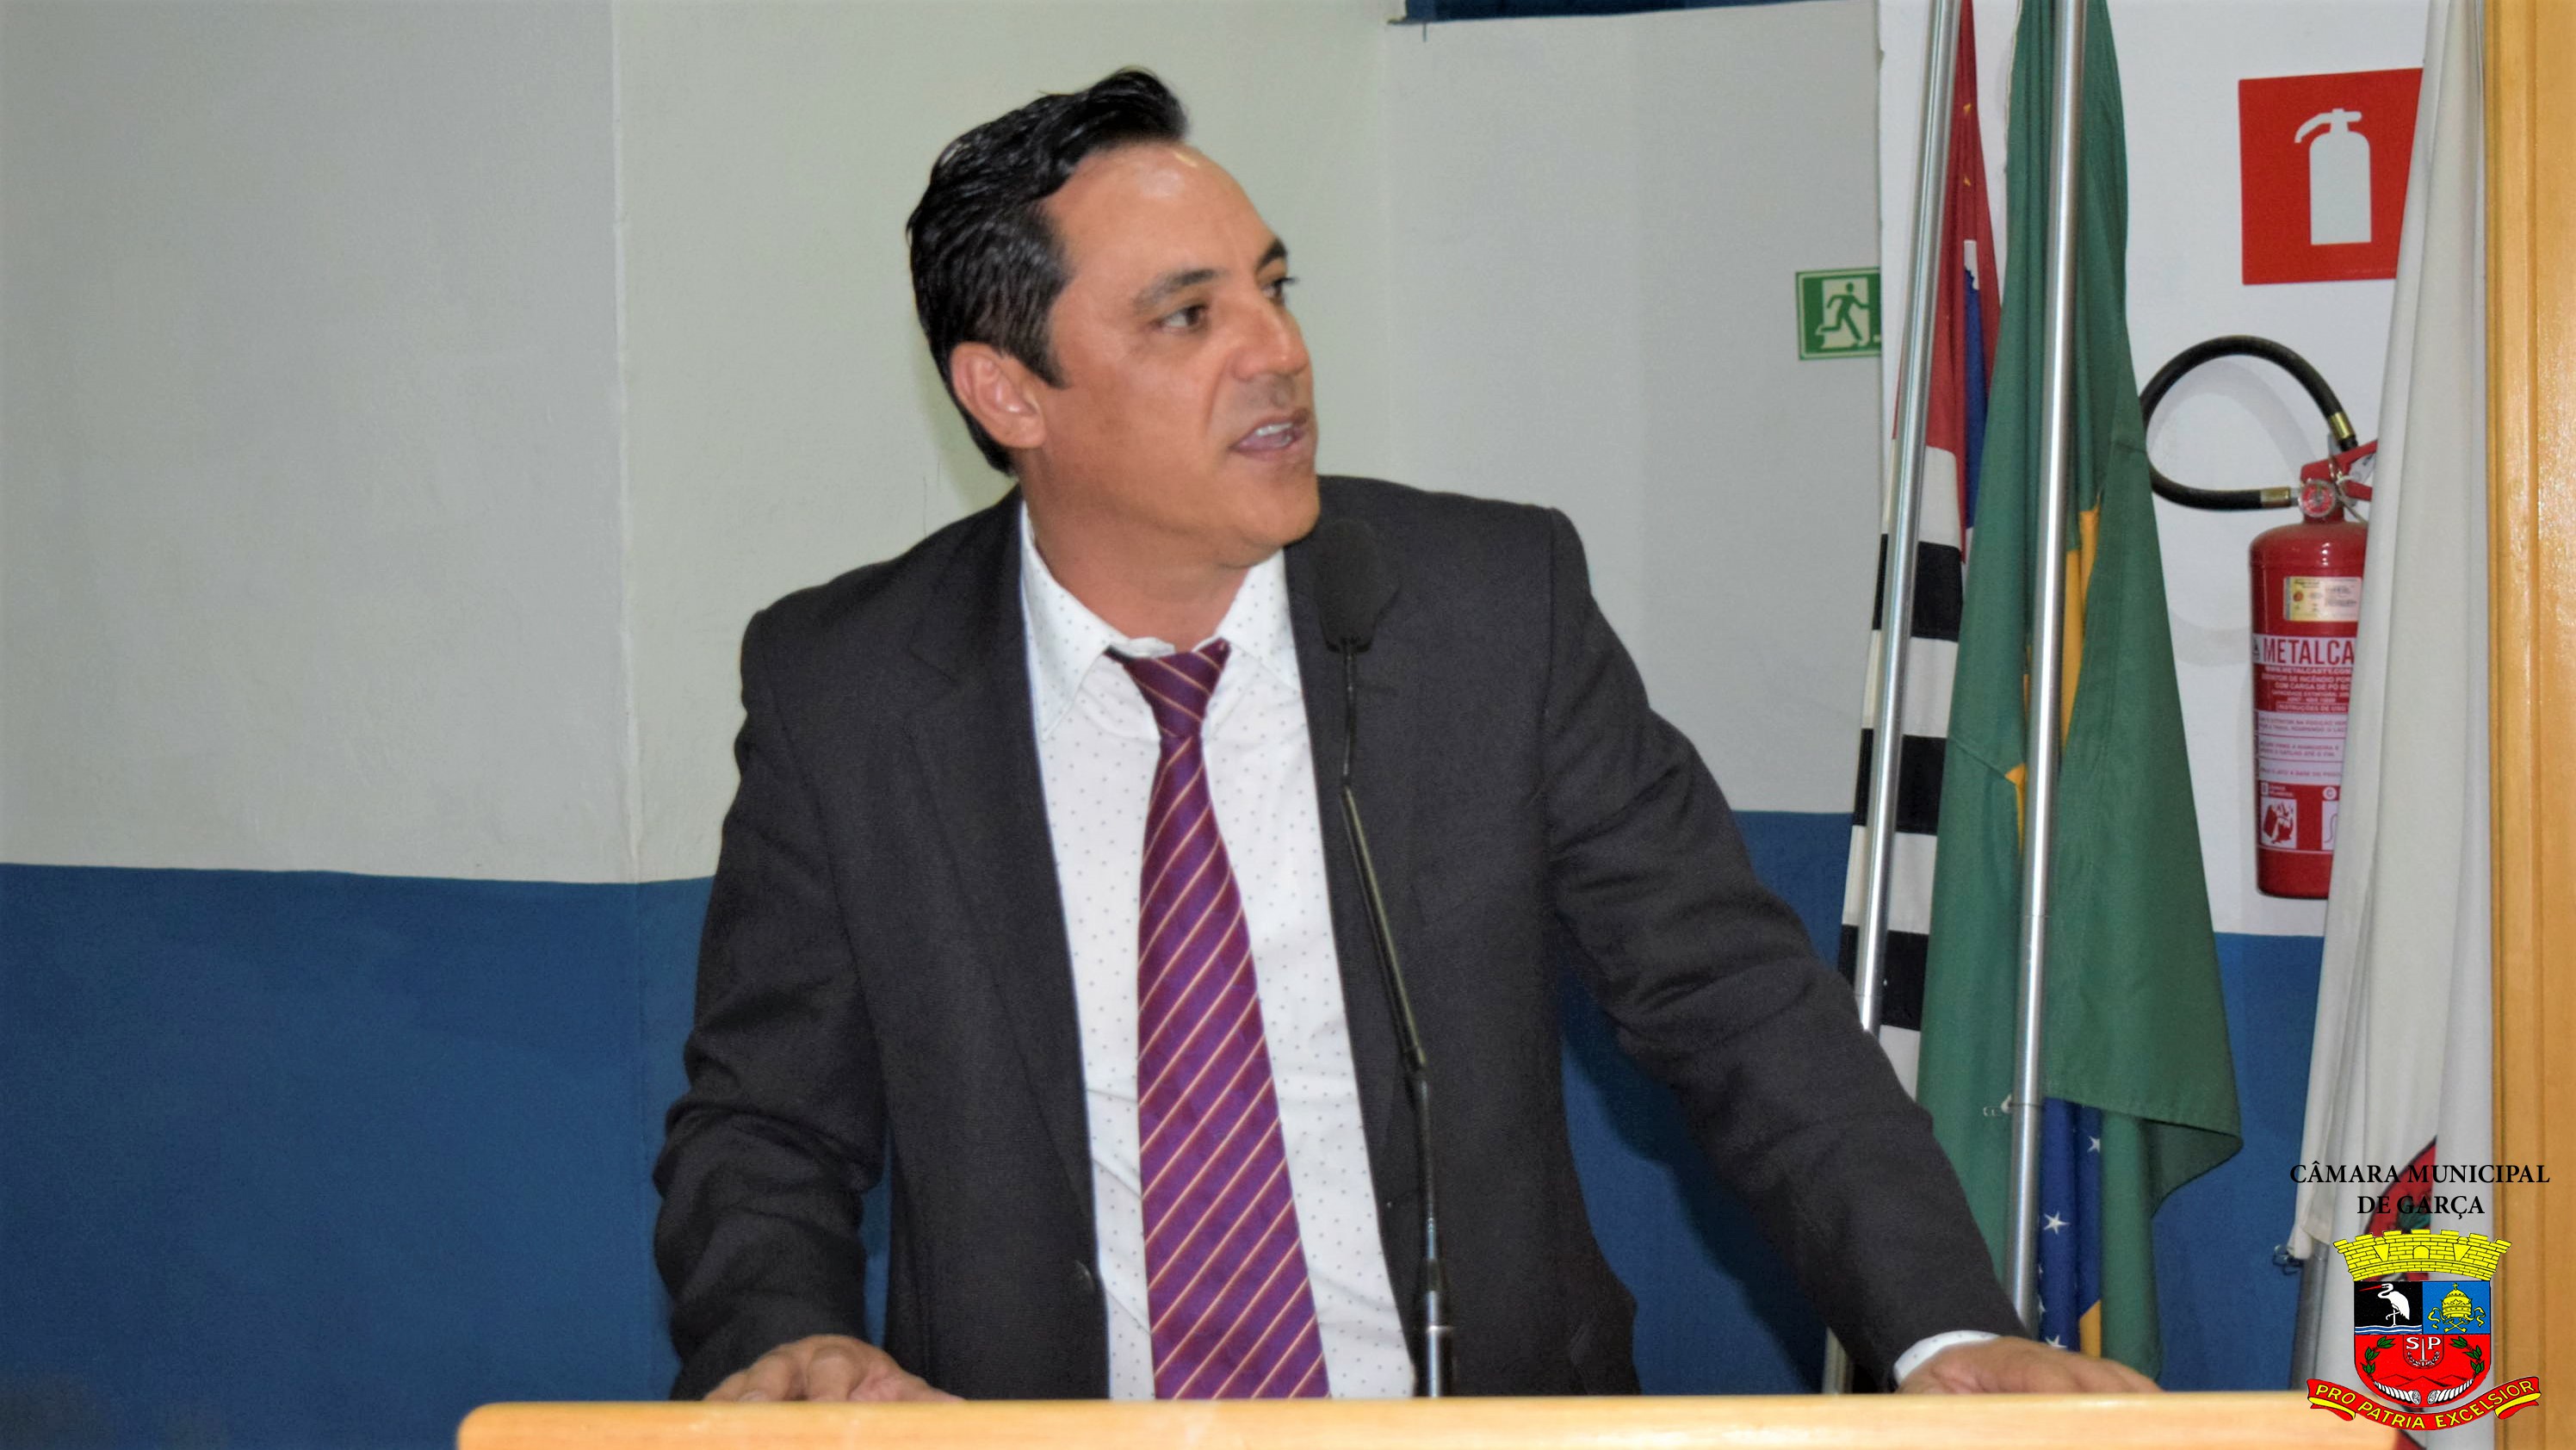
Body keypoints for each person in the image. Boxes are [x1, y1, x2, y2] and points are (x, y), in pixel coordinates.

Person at [652, 67, 2154, 1404]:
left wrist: (1947, 1331)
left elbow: (1732, 1003)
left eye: (1274, 287)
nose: (1277, 352)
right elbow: (764, 1122)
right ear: (1007, 392)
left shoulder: (1488, 611)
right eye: (1188, 315)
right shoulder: (847, 692)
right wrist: (785, 1335)